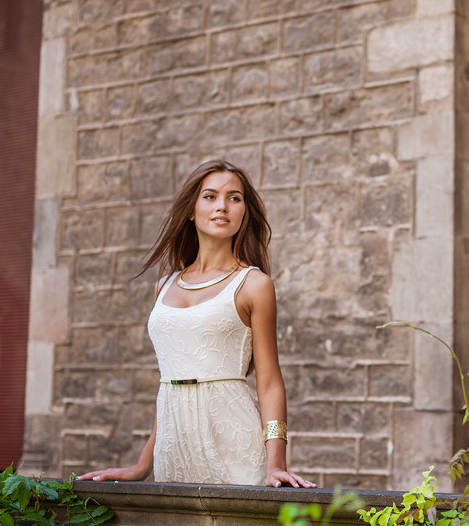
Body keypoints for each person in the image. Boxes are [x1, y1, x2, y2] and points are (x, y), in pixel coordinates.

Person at [78, 160, 314, 488]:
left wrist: (276, 464)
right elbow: (172, 382)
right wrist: (143, 464)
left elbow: (270, 382)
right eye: (210, 196)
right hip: (173, 450)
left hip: (234, 443)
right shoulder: (164, 286)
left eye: (234, 198)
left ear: (244, 212)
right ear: (191, 210)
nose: (222, 206)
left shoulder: (254, 284)